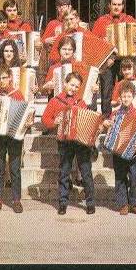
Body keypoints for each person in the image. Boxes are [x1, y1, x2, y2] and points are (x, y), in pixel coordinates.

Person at [41, 72, 96, 216]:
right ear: (65, 84)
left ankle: (90, 203)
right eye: (72, 84)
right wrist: (55, 122)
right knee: (64, 173)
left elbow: (87, 119)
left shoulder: (81, 102)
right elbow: (45, 119)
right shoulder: (55, 101)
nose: (73, 88)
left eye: (77, 86)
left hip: (80, 142)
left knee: (86, 173)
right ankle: (63, 203)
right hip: (64, 142)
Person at [0, 65, 30, 214]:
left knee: (15, 169)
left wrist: (26, 122)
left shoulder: (17, 94)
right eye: (0, 78)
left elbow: (24, 112)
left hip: (14, 136)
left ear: (10, 78)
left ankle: (16, 200)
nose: (3, 81)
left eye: (5, 77)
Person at [101, 80, 136, 216]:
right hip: (118, 151)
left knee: (135, 177)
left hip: (133, 152)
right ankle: (123, 204)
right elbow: (108, 128)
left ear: (133, 97)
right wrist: (107, 124)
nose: (126, 99)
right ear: (120, 97)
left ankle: (134, 204)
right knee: (120, 177)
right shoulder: (115, 114)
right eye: (123, 96)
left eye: (129, 96)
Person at [91, 0, 136, 117]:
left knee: (128, 87)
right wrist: (104, 41)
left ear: (123, 6)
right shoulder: (102, 21)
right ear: (109, 5)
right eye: (114, 4)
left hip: (126, 60)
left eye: (119, 4)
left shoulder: (130, 20)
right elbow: (94, 42)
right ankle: (106, 117)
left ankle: (129, 116)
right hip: (108, 61)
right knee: (107, 90)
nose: (116, 7)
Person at [111, 57, 136, 189]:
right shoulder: (119, 84)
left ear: (134, 69)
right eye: (124, 69)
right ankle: (130, 178)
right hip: (124, 116)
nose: (127, 71)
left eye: (129, 68)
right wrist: (118, 101)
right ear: (121, 70)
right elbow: (112, 102)